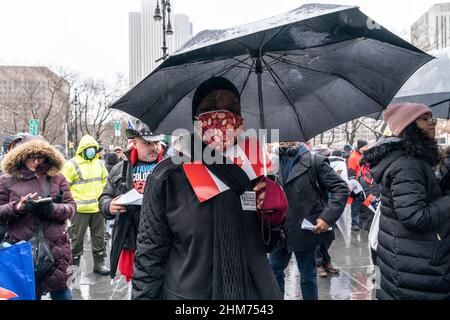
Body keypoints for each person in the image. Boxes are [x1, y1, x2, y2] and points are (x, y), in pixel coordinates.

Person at [132, 76, 286, 300]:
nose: (222, 115)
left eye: (231, 107)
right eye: (211, 108)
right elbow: (149, 254)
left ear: (241, 119)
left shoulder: (262, 170)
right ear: (196, 120)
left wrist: (275, 219)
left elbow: (272, 244)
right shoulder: (168, 176)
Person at [361, 102, 450, 300]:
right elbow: (415, 217)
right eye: (425, 119)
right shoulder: (407, 164)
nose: (432, 123)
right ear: (408, 126)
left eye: (431, 118)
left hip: (407, 259)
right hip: (416, 264)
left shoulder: (409, 159)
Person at [269, 142, 349, 299]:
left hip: (304, 229)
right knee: (273, 273)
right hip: (278, 229)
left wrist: (327, 218)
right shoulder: (271, 162)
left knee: (307, 276)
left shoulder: (316, 161)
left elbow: (341, 188)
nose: (284, 140)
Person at [0, 136, 76, 300]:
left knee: (62, 294)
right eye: (31, 157)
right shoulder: (6, 180)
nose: (36, 162)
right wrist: (16, 207)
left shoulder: (57, 177)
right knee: (26, 294)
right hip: (22, 249)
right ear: (20, 156)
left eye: (40, 157)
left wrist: (51, 209)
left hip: (56, 249)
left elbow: (71, 207)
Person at [99, 122, 166, 281]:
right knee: (138, 286)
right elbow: (104, 198)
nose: (154, 147)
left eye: (156, 142)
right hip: (132, 239)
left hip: (164, 239)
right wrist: (109, 206)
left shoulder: (169, 165)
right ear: (135, 143)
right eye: (147, 143)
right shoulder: (120, 169)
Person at [61, 135, 110, 275]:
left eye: (93, 148)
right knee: (76, 238)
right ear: (82, 149)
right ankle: (74, 266)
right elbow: (64, 187)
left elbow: (105, 183)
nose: (91, 151)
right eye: (88, 148)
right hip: (79, 210)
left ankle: (99, 263)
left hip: (97, 208)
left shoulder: (100, 164)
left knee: (99, 237)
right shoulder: (71, 164)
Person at [312, 145, 348, 278]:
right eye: (325, 155)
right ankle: (318, 263)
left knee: (328, 238)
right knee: (318, 239)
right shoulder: (313, 166)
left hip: (328, 208)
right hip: (316, 208)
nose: (328, 157)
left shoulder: (327, 167)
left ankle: (326, 261)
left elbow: (339, 186)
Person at [347, 139, 369, 231]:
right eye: (365, 146)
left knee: (365, 202)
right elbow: (351, 172)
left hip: (366, 182)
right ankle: (354, 222)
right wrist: (353, 187)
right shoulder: (353, 157)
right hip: (357, 183)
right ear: (360, 147)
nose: (367, 148)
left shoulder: (363, 155)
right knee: (356, 203)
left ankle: (363, 221)